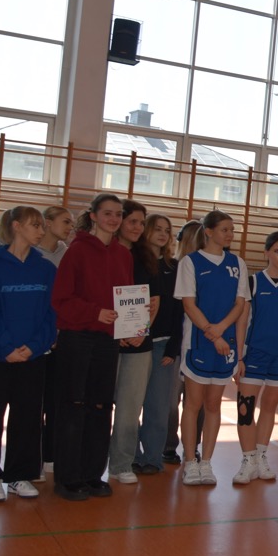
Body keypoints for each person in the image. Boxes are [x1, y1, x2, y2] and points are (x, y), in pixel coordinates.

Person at [50, 193, 134, 501]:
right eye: (108, 213)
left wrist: (132, 323)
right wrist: (94, 312)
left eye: (118, 214)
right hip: (78, 337)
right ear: (94, 216)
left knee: (100, 407)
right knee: (73, 406)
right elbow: (61, 300)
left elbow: (126, 298)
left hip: (107, 341)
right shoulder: (77, 251)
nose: (114, 219)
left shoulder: (124, 255)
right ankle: (68, 477)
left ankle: (92, 474)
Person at [0, 206, 57, 502]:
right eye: (35, 225)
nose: (41, 231)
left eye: (42, 226)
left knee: (28, 417)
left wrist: (34, 346)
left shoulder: (46, 269)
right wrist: (6, 348)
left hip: (33, 357)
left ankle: (19, 475)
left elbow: (51, 314)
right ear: (17, 226)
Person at [174, 210, 249, 487]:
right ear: (208, 231)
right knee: (192, 404)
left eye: (232, 230)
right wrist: (211, 333)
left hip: (225, 344)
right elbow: (189, 304)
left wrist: (222, 330)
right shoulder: (190, 262)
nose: (230, 235)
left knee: (214, 405)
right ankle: (189, 461)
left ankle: (206, 462)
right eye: (225, 229)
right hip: (199, 343)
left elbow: (240, 304)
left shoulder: (237, 264)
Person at [234, 231, 278, 483]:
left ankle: (261, 457)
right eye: (277, 251)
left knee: (269, 407)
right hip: (254, 353)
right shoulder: (253, 282)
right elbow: (242, 321)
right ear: (266, 253)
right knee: (245, 408)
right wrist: (239, 356)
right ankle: (248, 460)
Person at [107, 200, 158, 485]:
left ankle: (121, 463)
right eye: (132, 222)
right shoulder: (104, 254)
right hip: (106, 341)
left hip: (139, 344)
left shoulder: (146, 257)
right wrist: (118, 331)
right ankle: (92, 463)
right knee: (101, 405)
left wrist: (139, 331)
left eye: (141, 222)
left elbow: (154, 301)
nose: (138, 227)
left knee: (129, 409)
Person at [134, 214, 180, 475]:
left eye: (167, 230)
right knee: (131, 405)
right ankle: (131, 456)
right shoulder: (134, 262)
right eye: (157, 229)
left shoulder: (174, 267)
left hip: (163, 346)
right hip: (135, 345)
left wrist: (174, 347)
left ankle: (152, 457)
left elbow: (179, 310)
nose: (163, 234)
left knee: (159, 407)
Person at [35, 204, 75, 480]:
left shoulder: (68, 254)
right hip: (37, 337)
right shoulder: (31, 253)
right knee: (33, 402)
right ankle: (33, 457)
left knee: (56, 401)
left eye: (72, 223)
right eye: (65, 221)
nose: (70, 227)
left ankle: (51, 455)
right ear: (47, 223)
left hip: (62, 337)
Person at [164, 220, 202, 463]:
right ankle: (168, 445)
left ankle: (192, 445)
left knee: (196, 401)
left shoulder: (206, 270)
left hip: (200, 343)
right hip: (175, 345)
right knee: (170, 401)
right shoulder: (172, 268)